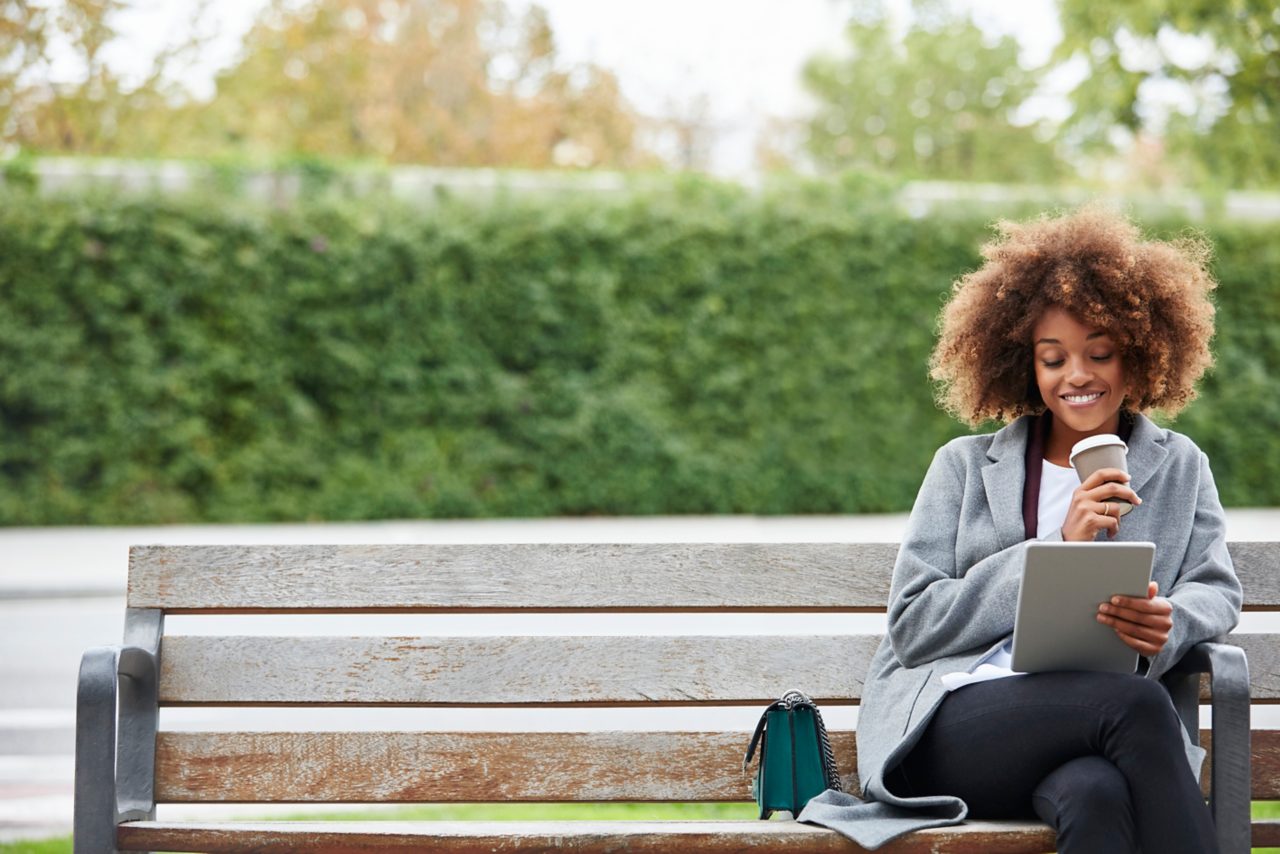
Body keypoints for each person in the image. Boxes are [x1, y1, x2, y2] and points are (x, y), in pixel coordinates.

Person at [799, 205, 1242, 852]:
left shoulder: (1178, 466)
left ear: (1140, 357)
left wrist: (1170, 621)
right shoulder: (964, 467)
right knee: (1138, 708)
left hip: (1094, 732)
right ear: (1025, 366)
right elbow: (916, 624)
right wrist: (1056, 546)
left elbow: (1215, 589)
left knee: (1097, 794)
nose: (1078, 375)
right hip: (955, 723)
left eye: (1100, 353)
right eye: (1053, 358)